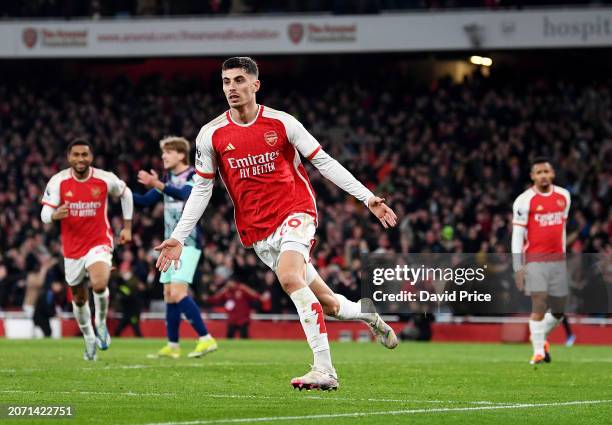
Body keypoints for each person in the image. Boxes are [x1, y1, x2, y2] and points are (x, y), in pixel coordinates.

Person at [155, 57, 398, 391]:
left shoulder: (282, 123)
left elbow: (322, 162)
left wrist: (366, 197)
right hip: (258, 230)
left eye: (239, 80)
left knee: (288, 277)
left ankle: (324, 370)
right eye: (226, 82)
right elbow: (202, 188)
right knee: (329, 305)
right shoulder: (210, 134)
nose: (232, 88)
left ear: (256, 84)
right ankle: (367, 313)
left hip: (296, 211)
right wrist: (179, 236)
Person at [40, 139, 133, 360]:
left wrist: (127, 228)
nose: (81, 159)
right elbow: (44, 214)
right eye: (76, 155)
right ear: (69, 157)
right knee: (79, 299)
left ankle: (100, 324)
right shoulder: (58, 181)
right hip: (72, 249)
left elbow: (126, 193)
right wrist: (54, 216)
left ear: (91, 157)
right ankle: (89, 337)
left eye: (85, 155)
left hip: (98, 242)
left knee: (100, 282)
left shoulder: (104, 178)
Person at [133, 136, 217, 359]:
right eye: (163, 153)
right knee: (169, 294)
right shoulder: (167, 178)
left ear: (181, 154)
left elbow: (186, 194)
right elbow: (144, 201)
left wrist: (158, 184)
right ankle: (172, 345)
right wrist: (116, 191)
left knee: (179, 292)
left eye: (168, 152)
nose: (163, 157)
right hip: (169, 245)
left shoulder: (193, 174)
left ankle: (206, 338)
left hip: (188, 244)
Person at [512, 157, 571, 365]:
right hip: (534, 261)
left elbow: (561, 230)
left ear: (552, 173)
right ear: (532, 176)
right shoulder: (523, 201)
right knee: (539, 303)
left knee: (559, 311)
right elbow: (517, 236)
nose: (543, 176)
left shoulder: (564, 196)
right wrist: (518, 267)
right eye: (539, 173)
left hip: (558, 261)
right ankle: (538, 351)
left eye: (546, 171)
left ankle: (539, 337)